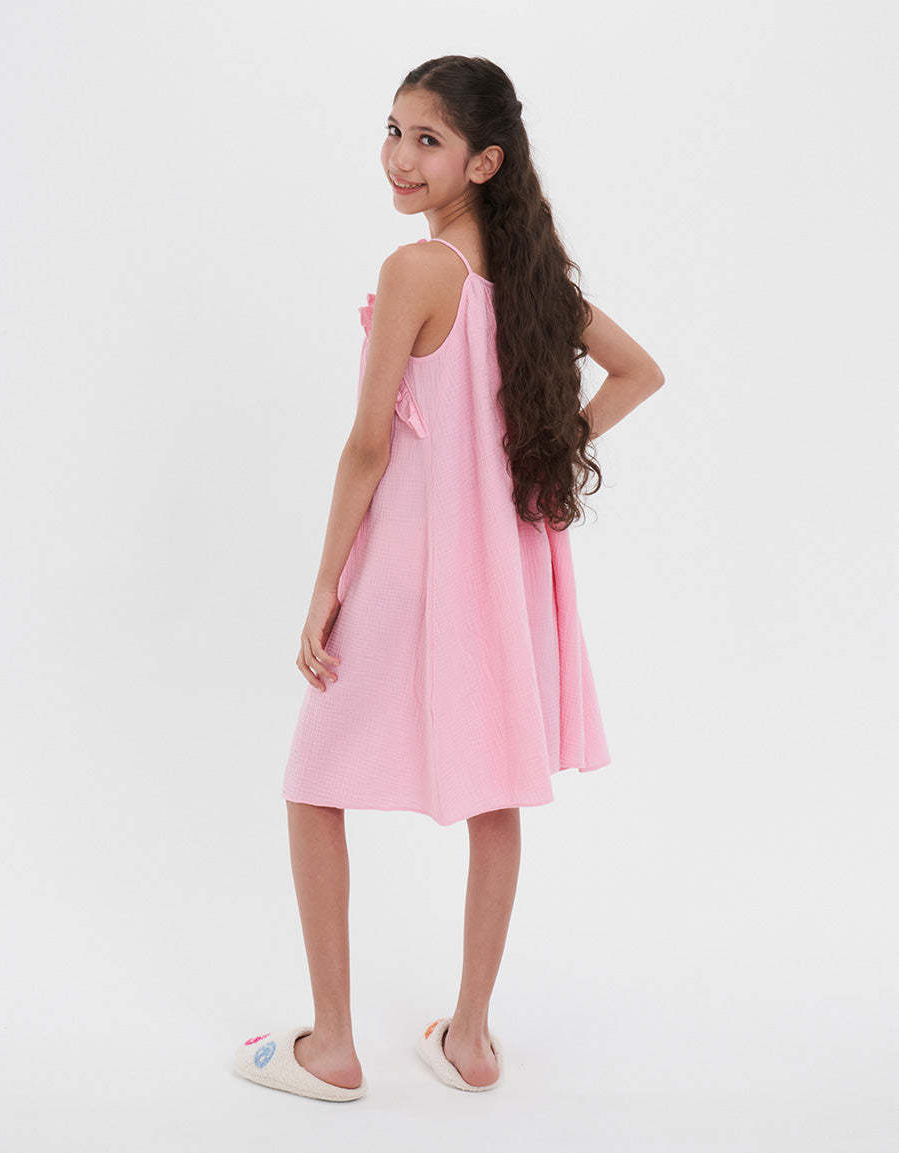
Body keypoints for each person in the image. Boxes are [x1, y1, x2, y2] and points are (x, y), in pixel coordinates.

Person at [234, 55, 664, 1101]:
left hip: (413, 571)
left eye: (427, 140)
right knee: (495, 789)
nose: (400, 157)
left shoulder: (418, 270)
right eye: (393, 130)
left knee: (312, 783)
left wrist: (324, 585)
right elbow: (639, 372)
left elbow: (367, 446)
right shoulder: (529, 281)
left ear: (484, 162)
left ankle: (333, 1046)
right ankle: (468, 1039)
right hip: (502, 572)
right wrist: (546, 454)